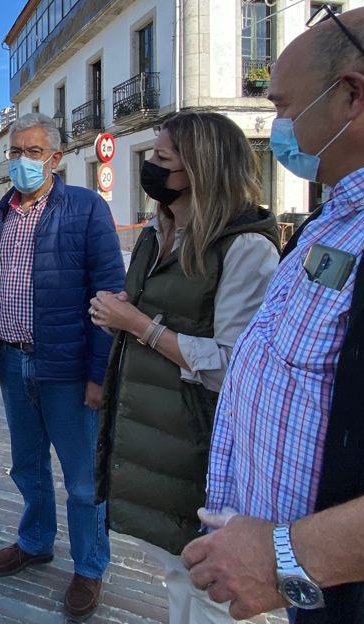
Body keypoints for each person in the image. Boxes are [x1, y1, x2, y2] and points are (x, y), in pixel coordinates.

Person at [180, 4, 364, 623]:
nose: (279, 129)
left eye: (282, 107)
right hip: (328, 589)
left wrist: (289, 557)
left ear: (351, 95)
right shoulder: (349, 200)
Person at [89, 112, 280, 623]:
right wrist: (121, 316)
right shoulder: (157, 232)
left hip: (207, 447)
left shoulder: (245, 248)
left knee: (211, 589)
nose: (149, 166)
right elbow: (153, 316)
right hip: (156, 436)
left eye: (161, 158)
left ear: (199, 169)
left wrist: (139, 324)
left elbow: (234, 366)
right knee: (177, 573)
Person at [0, 112, 125, 621]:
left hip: (67, 371)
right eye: (15, 152)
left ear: (56, 159)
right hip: (13, 362)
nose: (22, 161)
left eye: (33, 152)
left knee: (83, 480)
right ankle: (35, 541)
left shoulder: (84, 209)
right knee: (27, 466)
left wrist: (98, 375)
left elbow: (109, 296)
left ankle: (89, 566)